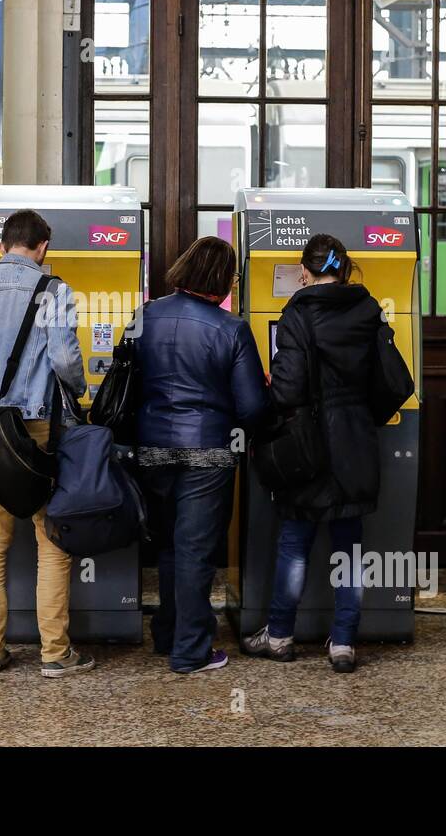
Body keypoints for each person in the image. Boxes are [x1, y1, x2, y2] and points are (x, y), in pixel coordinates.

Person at [0, 210, 94, 678]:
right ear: (43, 247)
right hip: (40, 431)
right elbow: (63, 358)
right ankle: (55, 654)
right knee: (51, 540)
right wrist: (80, 391)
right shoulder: (55, 290)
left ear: (2, 244)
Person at [241, 234, 383, 674]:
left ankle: (280, 635)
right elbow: (386, 374)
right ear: (344, 268)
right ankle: (343, 643)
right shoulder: (368, 308)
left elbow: (286, 388)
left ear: (305, 271)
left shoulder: (297, 314)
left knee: (295, 544)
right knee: (350, 549)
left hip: (308, 445)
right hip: (357, 441)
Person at [134, 236, 268, 673]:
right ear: (222, 280)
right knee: (195, 549)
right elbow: (250, 408)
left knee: (171, 545)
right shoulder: (232, 329)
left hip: (152, 446)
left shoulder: (145, 315)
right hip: (208, 451)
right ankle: (191, 651)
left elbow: (128, 382)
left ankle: (168, 633)